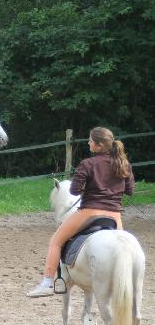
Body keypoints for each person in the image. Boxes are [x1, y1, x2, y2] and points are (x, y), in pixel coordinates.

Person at [27, 127, 135, 298]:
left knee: (56, 241)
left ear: (99, 145)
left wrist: (88, 188)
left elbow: (75, 190)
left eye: (91, 140)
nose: (88, 143)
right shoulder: (123, 164)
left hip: (89, 212)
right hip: (115, 216)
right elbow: (129, 190)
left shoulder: (88, 164)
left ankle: (47, 282)